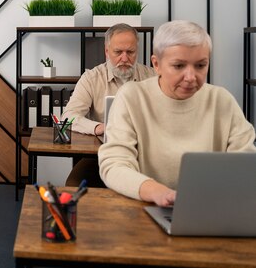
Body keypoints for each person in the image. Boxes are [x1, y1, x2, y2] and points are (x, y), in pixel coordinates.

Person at [99, 20, 256, 206]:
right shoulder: (132, 97)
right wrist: (157, 192)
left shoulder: (222, 100)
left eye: (200, 65)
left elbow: (245, 165)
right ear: (156, 64)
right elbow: (114, 165)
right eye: (179, 66)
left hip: (211, 206)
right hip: (147, 207)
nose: (191, 77)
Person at [61, 23, 156, 186]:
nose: (125, 58)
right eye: (118, 52)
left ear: (137, 51)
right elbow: (68, 117)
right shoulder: (91, 78)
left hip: (143, 155)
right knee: (74, 186)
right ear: (106, 51)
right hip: (101, 155)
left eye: (130, 52)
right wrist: (99, 127)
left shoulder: (153, 77)